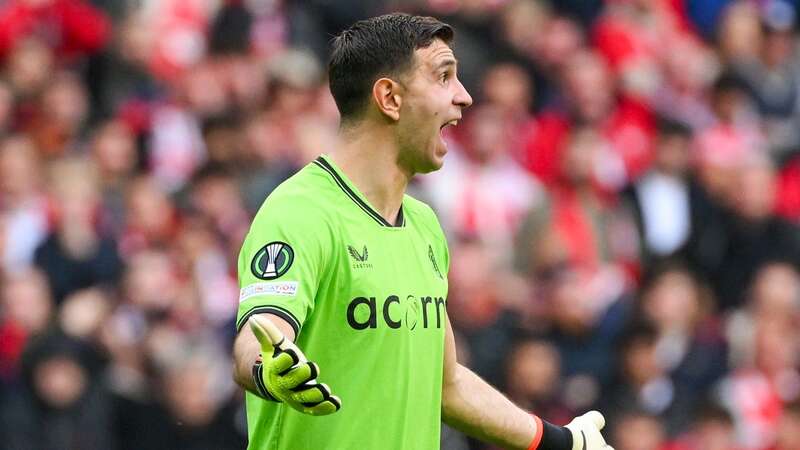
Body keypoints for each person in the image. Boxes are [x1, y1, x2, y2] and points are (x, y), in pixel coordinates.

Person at [231, 13, 613, 450]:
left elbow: (445, 383)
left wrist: (562, 441)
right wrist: (270, 369)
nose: (465, 98)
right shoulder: (301, 211)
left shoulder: (425, 225)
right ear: (389, 97)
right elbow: (257, 338)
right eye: (444, 77)